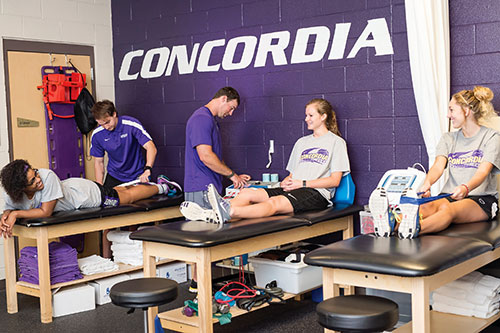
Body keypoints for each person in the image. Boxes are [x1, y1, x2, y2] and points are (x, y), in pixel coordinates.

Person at [180, 98, 351, 225]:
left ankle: (227, 212)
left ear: (323, 116)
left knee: (273, 204)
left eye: (310, 115)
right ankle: (212, 212)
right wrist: (287, 182)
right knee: (248, 193)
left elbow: (335, 180)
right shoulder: (302, 142)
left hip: (317, 193)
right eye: (306, 115)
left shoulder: (336, 142)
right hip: (296, 187)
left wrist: (302, 183)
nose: (306, 118)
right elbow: (292, 175)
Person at [370, 86, 500, 239]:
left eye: (452, 110)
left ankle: (414, 229)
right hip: (450, 195)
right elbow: (438, 166)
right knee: (425, 207)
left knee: (448, 210)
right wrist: (426, 184)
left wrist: (466, 187)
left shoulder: (491, 137)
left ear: (466, 110)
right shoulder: (448, 138)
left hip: (480, 199)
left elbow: (483, 171)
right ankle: (392, 225)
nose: (448, 115)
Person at [0, 159, 171, 238]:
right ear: (20, 188)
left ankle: (161, 186)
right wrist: (5, 216)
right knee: (115, 190)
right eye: (32, 181)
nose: (38, 179)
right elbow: (9, 208)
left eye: (35, 172)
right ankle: (148, 186)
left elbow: (46, 212)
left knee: (126, 197)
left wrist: (16, 215)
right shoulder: (12, 193)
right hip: (78, 190)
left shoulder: (47, 177)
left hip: (87, 195)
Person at [184, 87, 251, 209]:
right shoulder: (201, 118)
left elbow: (216, 157)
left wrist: (235, 177)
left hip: (211, 188)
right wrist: (232, 176)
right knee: (201, 228)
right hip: (200, 188)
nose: (231, 113)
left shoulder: (211, 120)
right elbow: (206, 156)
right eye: (231, 108)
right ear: (223, 99)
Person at [90, 100, 157, 188]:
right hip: (114, 175)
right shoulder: (97, 135)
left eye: (107, 122)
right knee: (107, 200)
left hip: (137, 175)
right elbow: (99, 162)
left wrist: (147, 169)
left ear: (114, 114)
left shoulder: (131, 124)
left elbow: (151, 147)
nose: (106, 127)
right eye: (101, 124)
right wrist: (99, 183)